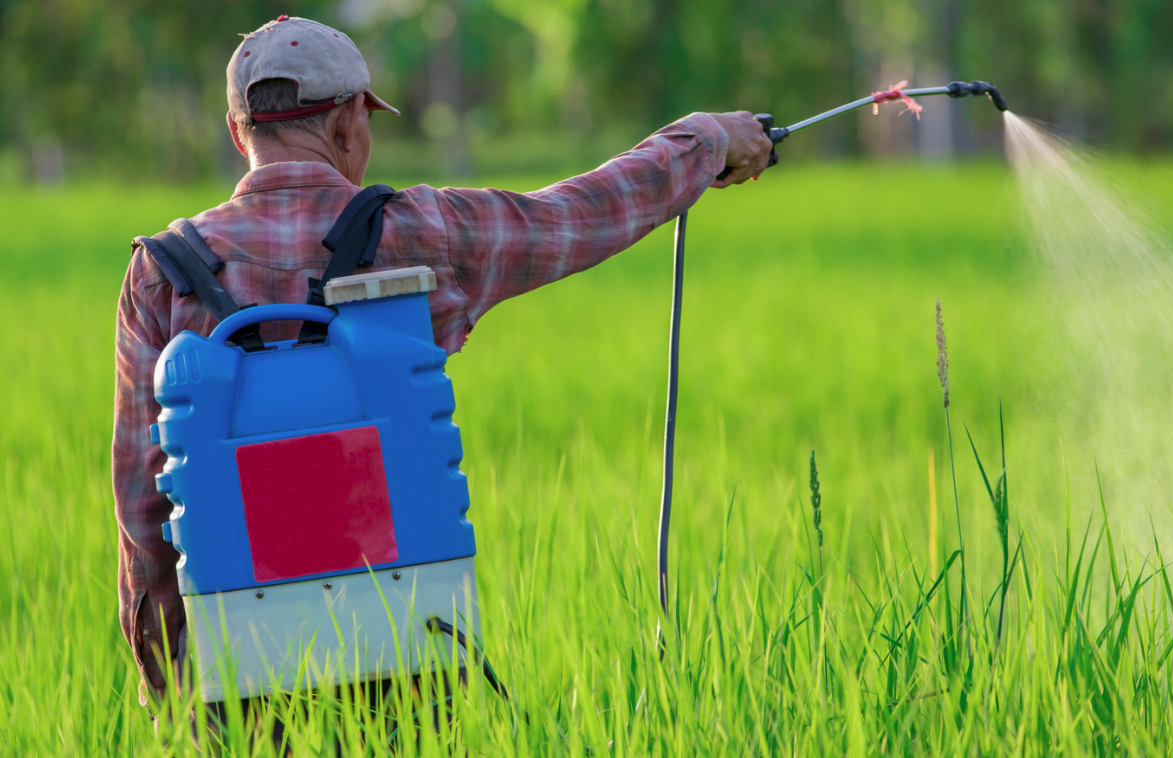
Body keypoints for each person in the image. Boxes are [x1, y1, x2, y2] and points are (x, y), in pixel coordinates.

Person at [112, 13, 771, 722]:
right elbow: (582, 215)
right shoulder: (422, 232)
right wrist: (704, 140)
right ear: (345, 126)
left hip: (237, 667)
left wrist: (173, 686)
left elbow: (142, 505)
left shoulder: (161, 273)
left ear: (240, 133)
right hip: (411, 654)